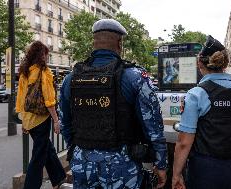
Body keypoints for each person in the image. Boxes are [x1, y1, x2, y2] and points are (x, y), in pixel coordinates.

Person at [59, 19, 167, 189]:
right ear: (119, 43)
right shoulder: (135, 77)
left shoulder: (70, 79)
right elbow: (153, 127)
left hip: (82, 163)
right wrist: (161, 164)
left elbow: (64, 123)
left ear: (94, 42)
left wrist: (80, 149)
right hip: (121, 164)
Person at [172, 35, 231, 189]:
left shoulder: (196, 94)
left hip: (206, 171)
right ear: (225, 63)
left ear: (200, 63)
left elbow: (184, 143)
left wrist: (176, 175)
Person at [16, 41, 66, 189]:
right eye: (46, 55)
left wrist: (24, 121)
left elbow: (21, 98)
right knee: (38, 155)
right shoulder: (44, 72)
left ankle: (58, 179)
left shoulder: (25, 71)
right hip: (41, 119)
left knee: (46, 148)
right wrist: (56, 120)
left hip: (29, 120)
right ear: (42, 55)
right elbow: (49, 100)